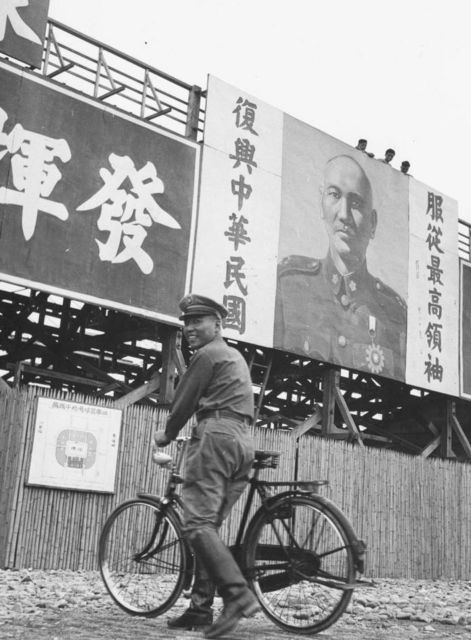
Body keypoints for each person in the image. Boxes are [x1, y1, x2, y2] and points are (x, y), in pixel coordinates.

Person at [153, 294, 259, 639]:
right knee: (207, 529)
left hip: (215, 436)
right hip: (242, 442)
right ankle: (200, 607)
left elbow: (183, 403)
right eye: (186, 322)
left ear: (217, 324)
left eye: (197, 321)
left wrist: (166, 435)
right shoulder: (234, 356)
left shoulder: (207, 355)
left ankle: (238, 595)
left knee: (197, 524)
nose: (189, 329)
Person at [274, 155, 407, 379]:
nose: (344, 215)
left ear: (372, 223)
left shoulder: (394, 313)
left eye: (356, 203)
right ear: (321, 205)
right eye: (334, 195)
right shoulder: (288, 285)